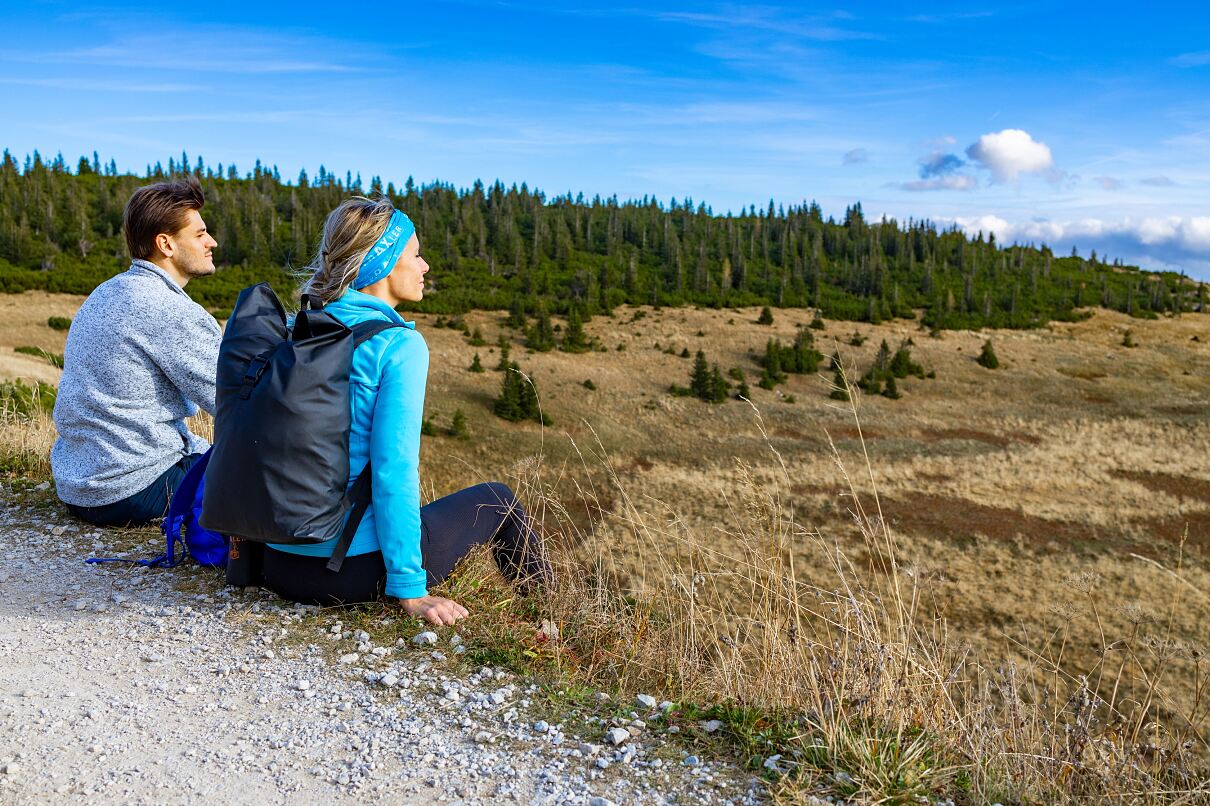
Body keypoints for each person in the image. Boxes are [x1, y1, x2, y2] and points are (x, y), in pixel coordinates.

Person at [261, 196, 551, 626]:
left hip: (274, 563)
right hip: (347, 574)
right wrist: (410, 589)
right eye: (415, 254)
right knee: (498, 499)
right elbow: (393, 469)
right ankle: (550, 623)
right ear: (384, 262)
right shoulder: (397, 345)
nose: (425, 266)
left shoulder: (293, 329)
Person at [52, 177, 221, 527]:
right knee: (260, 466)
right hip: (133, 489)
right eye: (200, 234)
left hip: (79, 484)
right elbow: (232, 398)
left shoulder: (105, 292)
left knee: (206, 450)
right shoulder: (168, 309)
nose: (211, 242)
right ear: (166, 244)